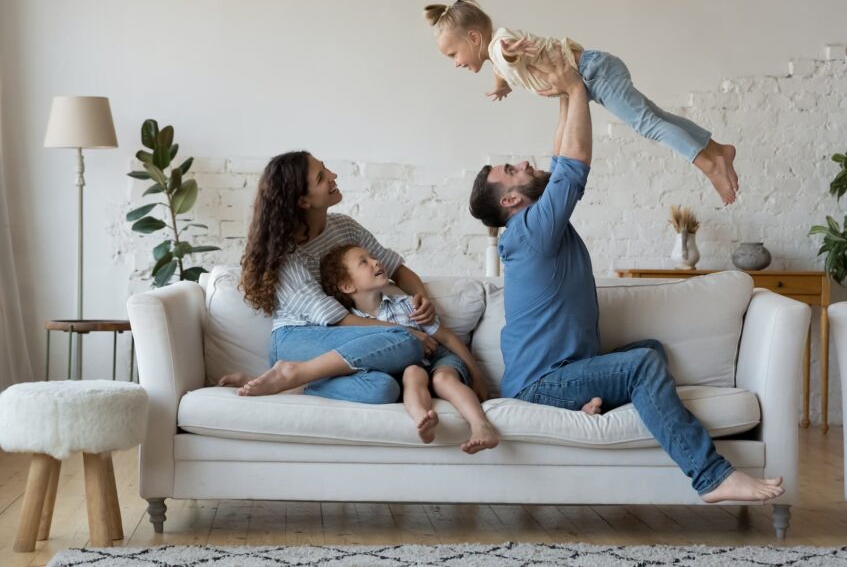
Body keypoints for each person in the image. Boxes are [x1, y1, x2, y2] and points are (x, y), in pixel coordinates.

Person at [467, 50, 785, 503]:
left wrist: (565, 92)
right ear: (510, 200)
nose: (523, 164)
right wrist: (576, 89)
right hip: (541, 385)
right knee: (640, 367)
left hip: (564, 374)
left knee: (650, 351)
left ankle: (592, 403)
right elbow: (573, 167)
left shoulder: (532, 224)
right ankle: (711, 476)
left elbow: (559, 163)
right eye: (512, 171)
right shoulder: (531, 230)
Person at [425, 0, 740, 205]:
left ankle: (708, 163)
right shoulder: (495, 59)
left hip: (594, 72)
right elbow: (503, 69)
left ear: (475, 38)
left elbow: (505, 51)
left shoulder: (499, 47)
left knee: (648, 124)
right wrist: (502, 87)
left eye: (453, 54)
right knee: (654, 116)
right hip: (594, 73)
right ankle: (717, 149)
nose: (454, 62)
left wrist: (509, 51)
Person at [219, 151, 435, 405]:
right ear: (303, 201)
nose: (333, 176)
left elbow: (396, 269)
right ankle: (290, 371)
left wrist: (422, 300)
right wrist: (405, 331)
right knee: (407, 342)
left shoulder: (345, 226)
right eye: (322, 177)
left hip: (341, 338)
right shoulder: (285, 255)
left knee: (384, 389)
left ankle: (291, 383)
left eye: (326, 169)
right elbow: (337, 319)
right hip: (297, 339)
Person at [312, 244, 499, 454]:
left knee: (443, 379)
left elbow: (446, 338)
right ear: (347, 286)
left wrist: (478, 375)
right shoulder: (353, 325)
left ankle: (481, 426)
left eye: (373, 257)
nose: (376, 261)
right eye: (363, 262)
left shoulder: (406, 305)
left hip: (438, 359)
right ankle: (423, 419)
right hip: (409, 370)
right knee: (412, 374)